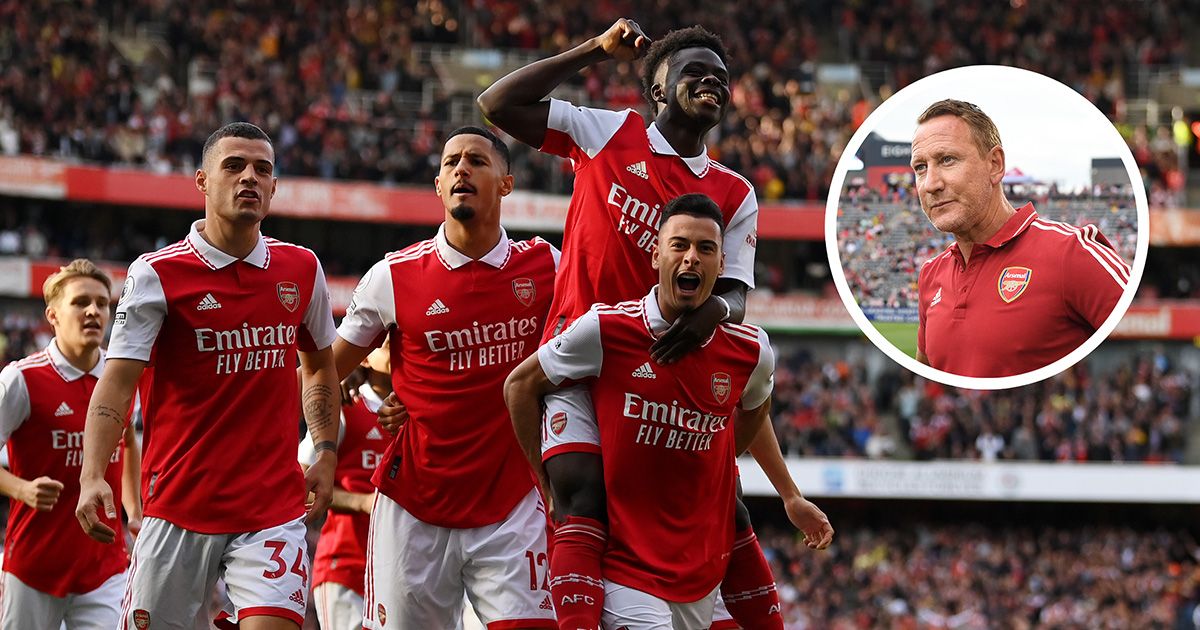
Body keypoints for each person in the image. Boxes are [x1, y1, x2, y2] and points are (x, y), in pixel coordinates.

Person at [479, 20, 806, 629]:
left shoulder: (734, 194)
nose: (711, 81)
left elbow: (734, 297)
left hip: (666, 367)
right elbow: (497, 104)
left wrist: (711, 312)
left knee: (721, 506)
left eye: (721, 76)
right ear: (657, 90)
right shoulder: (607, 132)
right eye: (694, 72)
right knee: (582, 493)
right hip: (580, 355)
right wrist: (591, 50)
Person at [504, 194, 833, 630]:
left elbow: (756, 406)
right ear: (656, 254)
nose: (691, 258)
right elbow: (519, 385)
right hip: (627, 569)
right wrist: (542, 483)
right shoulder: (606, 329)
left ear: (722, 265)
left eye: (706, 249)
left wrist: (786, 493)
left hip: (700, 568)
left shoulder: (751, 350)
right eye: (679, 245)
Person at [75, 122, 341, 629]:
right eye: (234, 166)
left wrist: (325, 450)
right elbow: (117, 383)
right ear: (202, 181)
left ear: (274, 188)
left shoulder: (302, 268)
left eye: (262, 169)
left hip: (271, 511)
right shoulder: (156, 274)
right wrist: (91, 476)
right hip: (177, 508)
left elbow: (320, 365)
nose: (249, 178)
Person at [331, 126, 558, 629]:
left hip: (513, 503)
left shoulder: (547, 266)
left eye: (477, 160)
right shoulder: (393, 276)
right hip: (415, 503)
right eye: (451, 161)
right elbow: (324, 372)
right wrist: (331, 437)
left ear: (506, 183)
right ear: (437, 186)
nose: (462, 168)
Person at [911, 99, 1131, 377]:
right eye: (920, 167)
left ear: (995, 164)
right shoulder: (930, 274)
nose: (931, 184)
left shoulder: (1071, 251)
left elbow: (1148, 338)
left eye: (947, 160)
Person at [0, 259, 141, 629]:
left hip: (104, 569)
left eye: (102, 303)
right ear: (53, 315)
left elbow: (128, 441)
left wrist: (134, 511)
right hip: (34, 568)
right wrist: (22, 489)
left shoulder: (123, 377)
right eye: (81, 302)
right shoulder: (21, 380)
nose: (94, 310)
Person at [298, 342, 393, 630]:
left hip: (400, 570)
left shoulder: (416, 414)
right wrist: (362, 502)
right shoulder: (343, 411)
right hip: (346, 567)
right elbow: (300, 483)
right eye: (389, 346)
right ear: (363, 359)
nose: (399, 351)